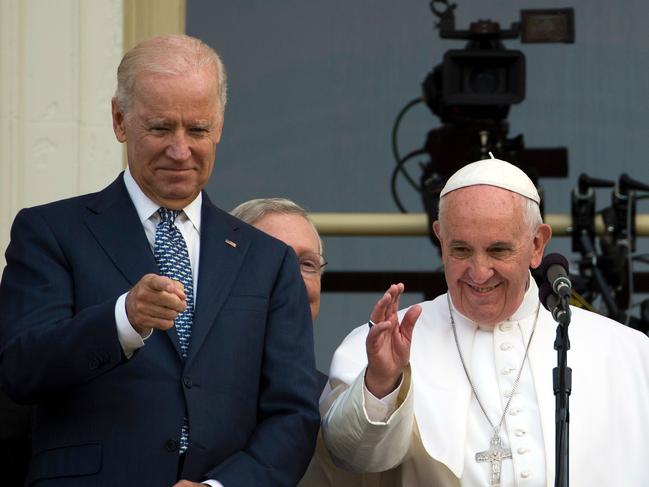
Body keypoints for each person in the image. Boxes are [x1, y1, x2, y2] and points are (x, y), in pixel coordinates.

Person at [0, 34, 319, 487]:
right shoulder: (51, 232)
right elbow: (19, 370)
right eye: (160, 128)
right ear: (119, 120)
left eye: (198, 130)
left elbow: (293, 414)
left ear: (220, 125)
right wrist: (121, 320)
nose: (180, 149)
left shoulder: (266, 260)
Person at [320, 157, 649, 486]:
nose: (479, 272)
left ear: (537, 245)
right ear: (440, 238)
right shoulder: (386, 342)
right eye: (461, 250)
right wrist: (382, 382)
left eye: (498, 251)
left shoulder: (628, 354)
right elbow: (351, 458)